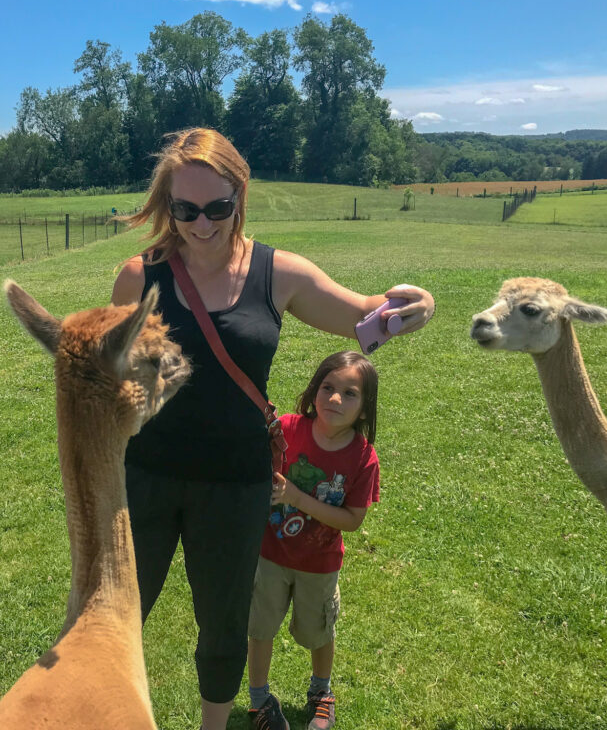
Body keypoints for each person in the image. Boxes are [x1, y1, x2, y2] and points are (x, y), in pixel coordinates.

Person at [110, 128, 433, 730]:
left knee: (225, 620)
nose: (201, 224)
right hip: (146, 476)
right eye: (185, 210)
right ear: (167, 206)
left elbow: (363, 314)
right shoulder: (138, 277)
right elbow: (115, 380)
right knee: (118, 612)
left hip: (236, 484)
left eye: (217, 208)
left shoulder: (277, 273)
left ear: (240, 195)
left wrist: (417, 305)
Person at [247, 351, 381, 730]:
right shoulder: (287, 429)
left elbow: (353, 520)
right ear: (314, 390)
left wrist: (296, 498)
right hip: (269, 554)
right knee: (260, 627)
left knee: (318, 631)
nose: (335, 399)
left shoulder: (363, 458)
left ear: (365, 407)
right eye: (328, 387)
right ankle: (259, 701)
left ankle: (321, 693)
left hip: (320, 564)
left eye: (350, 393)